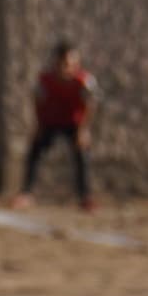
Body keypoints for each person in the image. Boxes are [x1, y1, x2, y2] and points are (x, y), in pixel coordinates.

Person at [22, 40, 97, 211]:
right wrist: (39, 125)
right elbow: (37, 101)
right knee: (35, 149)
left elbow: (90, 105)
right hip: (51, 122)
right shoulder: (46, 80)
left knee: (82, 153)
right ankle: (26, 193)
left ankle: (85, 196)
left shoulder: (84, 81)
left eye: (71, 64)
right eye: (63, 64)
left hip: (73, 123)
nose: (67, 68)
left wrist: (83, 131)